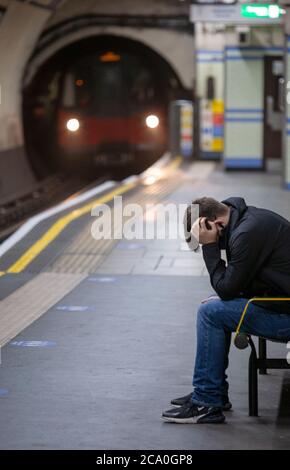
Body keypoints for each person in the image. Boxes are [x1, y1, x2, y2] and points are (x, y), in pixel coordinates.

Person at [162, 197, 290, 424]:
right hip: (279, 302)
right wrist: (224, 296)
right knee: (212, 307)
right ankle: (213, 393)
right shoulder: (245, 221)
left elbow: (227, 289)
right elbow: (237, 284)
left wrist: (210, 247)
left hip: (285, 313)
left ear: (213, 224)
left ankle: (207, 401)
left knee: (210, 313)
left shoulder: (246, 233)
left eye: (204, 236)